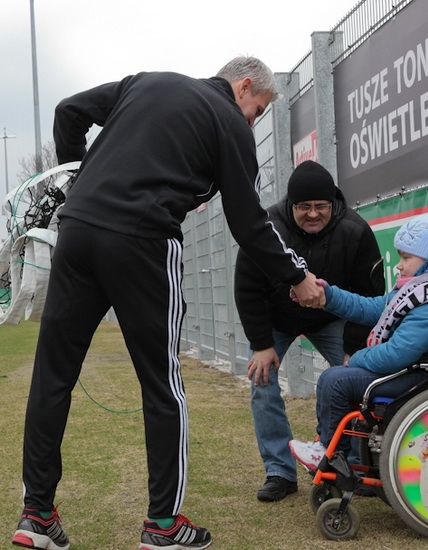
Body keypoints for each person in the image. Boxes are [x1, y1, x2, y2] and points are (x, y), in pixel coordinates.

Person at [12, 57, 326, 550]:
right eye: (258, 110)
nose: (253, 121)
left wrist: (75, 180)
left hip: (75, 233)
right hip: (143, 241)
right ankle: (162, 525)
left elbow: (69, 110)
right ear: (244, 86)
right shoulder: (229, 123)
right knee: (163, 385)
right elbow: (250, 223)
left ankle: (36, 515)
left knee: (52, 375)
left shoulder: (145, 82)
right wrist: (297, 276)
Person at [234, 160, 385, 501]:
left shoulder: (355, 230)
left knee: (361, 378)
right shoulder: (267, 228)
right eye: (304, 207)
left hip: (331, 318)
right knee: (261, 381)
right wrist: (261, 344)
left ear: (333, 203)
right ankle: (280, 472)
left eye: (321, 206)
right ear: (291, 205)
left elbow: (372, 296)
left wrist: (353, 347)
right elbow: (246, 288)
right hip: (277, 319)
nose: (313, 214)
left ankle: (344, 463)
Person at [288, 213, 428, 470]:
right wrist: (328, 295)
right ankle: (340, 456)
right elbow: (373, 308)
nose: (399, 265)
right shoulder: (427, 288)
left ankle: (330, 456)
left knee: (336, 381)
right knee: (336, 379)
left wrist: (355, 358)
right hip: (419, 370)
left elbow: (398, 354)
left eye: (406, 257)